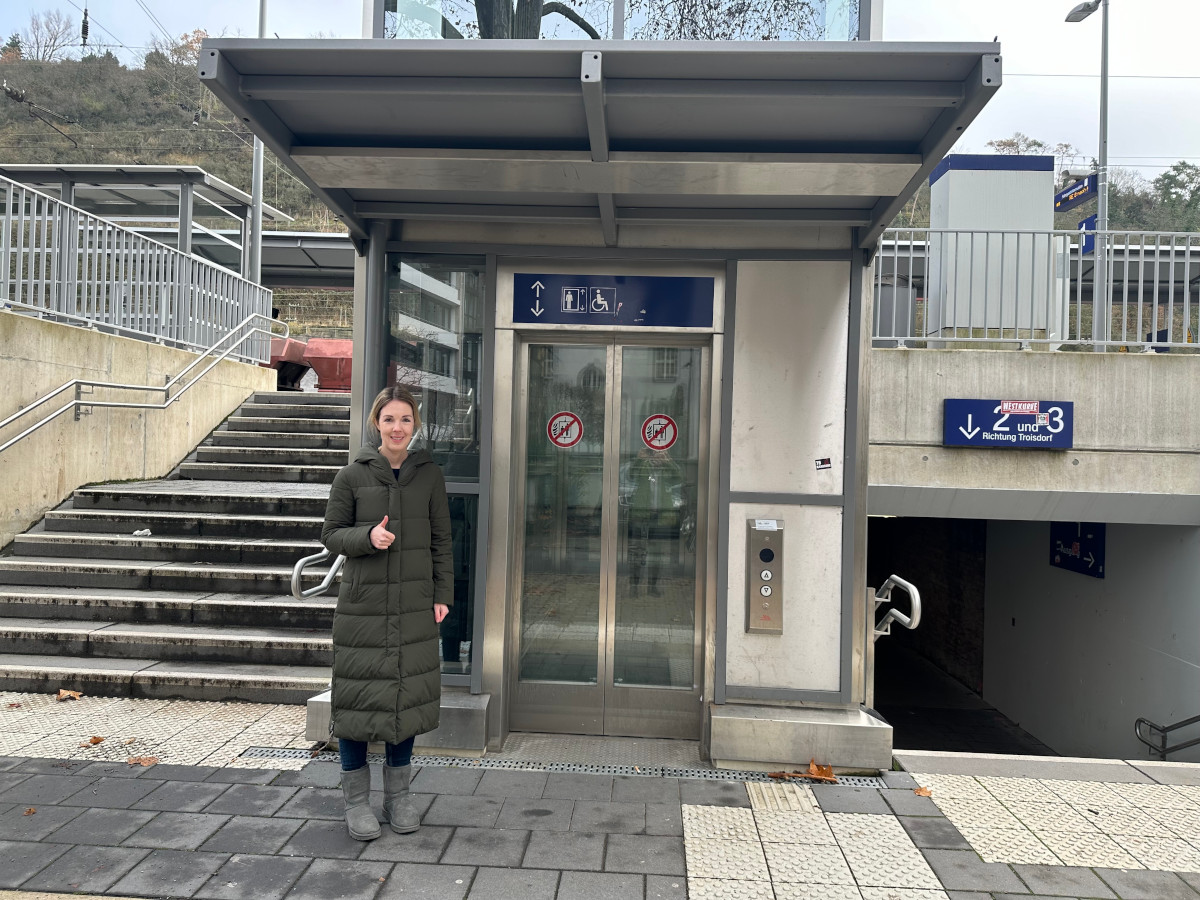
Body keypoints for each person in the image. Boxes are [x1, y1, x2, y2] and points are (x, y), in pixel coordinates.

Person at [321, 385, 452, 841]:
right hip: (365, 607)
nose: (398, 428)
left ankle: (400, 797)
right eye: (390, 419)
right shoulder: (352, 476)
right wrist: (367, 539)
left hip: (415, 603)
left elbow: (442, 541)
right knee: (359, 702)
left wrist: (443, 593)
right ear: (377, 422)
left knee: (404, 699)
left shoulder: (428, 475)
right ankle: (356, 802)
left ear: (415, 426)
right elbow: (332, 535)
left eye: (406, 420)